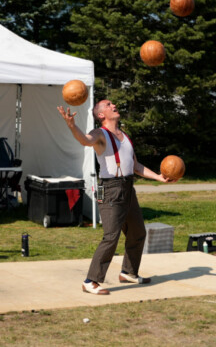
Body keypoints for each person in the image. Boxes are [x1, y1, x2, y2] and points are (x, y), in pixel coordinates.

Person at [57, 99, 177, 295]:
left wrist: (158, 177)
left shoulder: (125, 137)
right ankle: (91, 280)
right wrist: (71, 124)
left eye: (113, 103)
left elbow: (135, 166)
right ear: (101, 115)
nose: (114, 105)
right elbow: (85, 140)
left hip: (128, 187)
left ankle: (129, 272)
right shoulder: (100, 133)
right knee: (111, 236)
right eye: (108, 104)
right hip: (111, 189)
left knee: (138, 232)